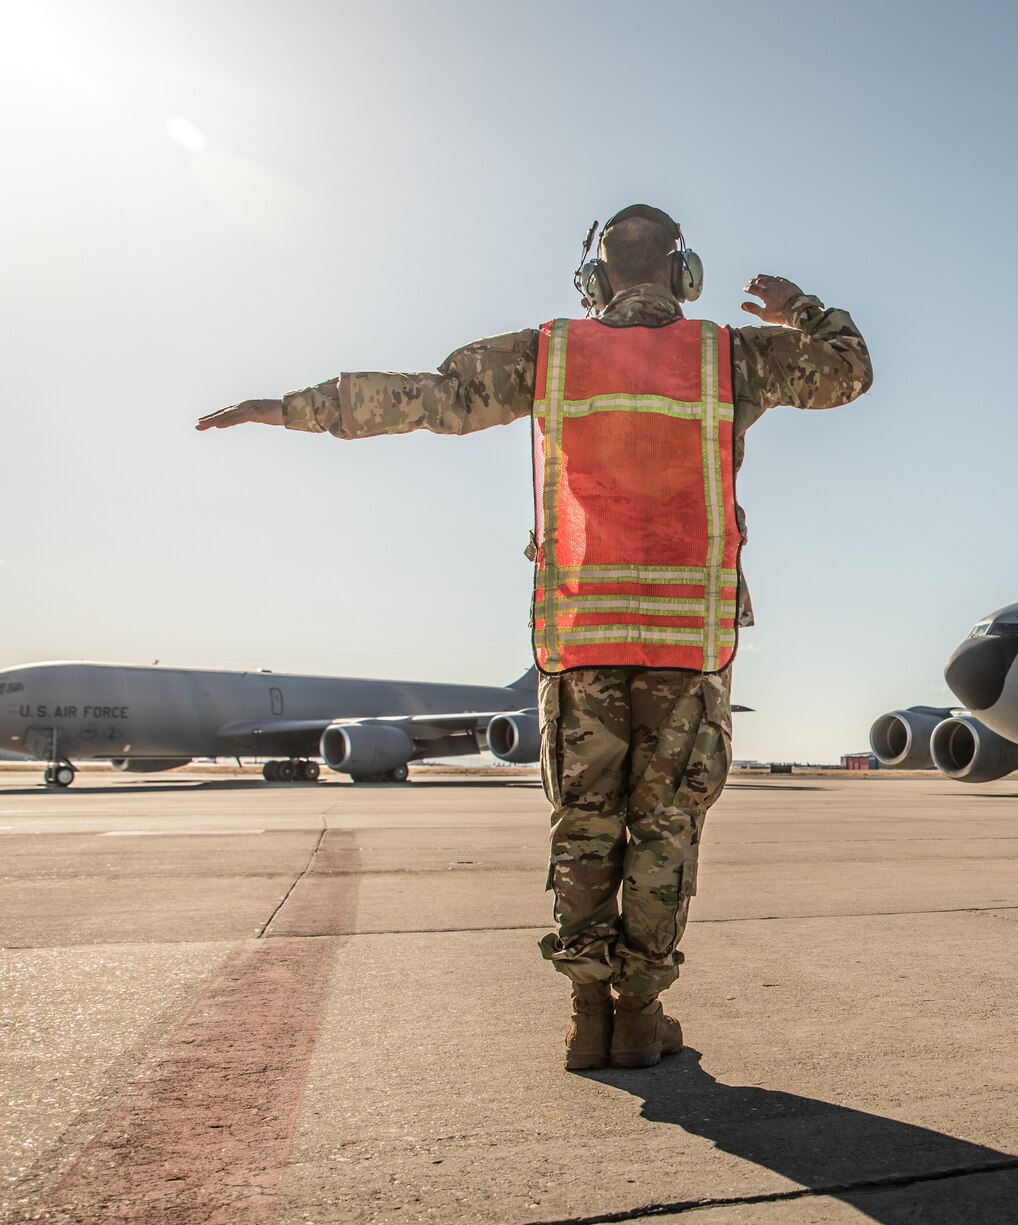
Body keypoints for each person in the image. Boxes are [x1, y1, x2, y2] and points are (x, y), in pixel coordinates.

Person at [198, 204, 871, 1069]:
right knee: (663, 827)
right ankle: (639, 1014)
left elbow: (426, 399)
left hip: (580, 637)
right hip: (686, 644)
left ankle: (587, 1015)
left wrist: (290, 408)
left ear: (594, 281)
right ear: (686, 274)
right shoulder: (729, 356)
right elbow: (848, 372)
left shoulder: (551, 354)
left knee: (583, 821)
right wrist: (799, 308)